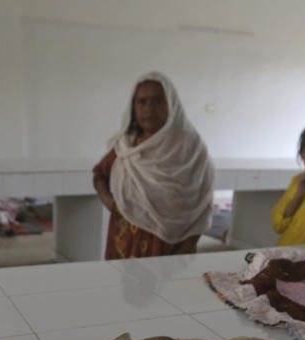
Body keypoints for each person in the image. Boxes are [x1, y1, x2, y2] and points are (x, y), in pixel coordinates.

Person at [92, 72, 215, 260]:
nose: (148, 108)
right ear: (133, 107)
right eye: (142, 102)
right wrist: (112, 203)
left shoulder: (191, 149)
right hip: (123, 243)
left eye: (157, 100)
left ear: (171, 104)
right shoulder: (127, 146)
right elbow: (99, 174)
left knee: (168, 290)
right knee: (120, 288)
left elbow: (203, 202)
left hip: (172, 247)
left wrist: (189, 246)